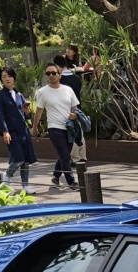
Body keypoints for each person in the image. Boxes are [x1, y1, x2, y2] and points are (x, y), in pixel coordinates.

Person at [31, 62, 80, 190]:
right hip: (54, 128)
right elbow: (39, 111)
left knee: (64, 155)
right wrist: (34, 127)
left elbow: (75, 107)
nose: (51, 76)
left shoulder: (68, 90)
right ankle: (71, 182)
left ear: (59, 75)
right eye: (48, 73)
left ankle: (55, 177)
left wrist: (75, 114)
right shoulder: (42, 92)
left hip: (69, 128)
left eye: (54, 73)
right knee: (65, 155)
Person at [0, 67, 36, 195]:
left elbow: (25, 114)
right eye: (4, 76)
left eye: (9, 76)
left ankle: (25, 186)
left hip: (23, 130)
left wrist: (27, 113)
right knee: (18, 159)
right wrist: (5, 131)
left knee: (26, 160)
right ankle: (7, 174)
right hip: (11, 131)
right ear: (1, 79)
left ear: (14, 78)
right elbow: (0, 115)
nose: (7, 79)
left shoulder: (19, 95)